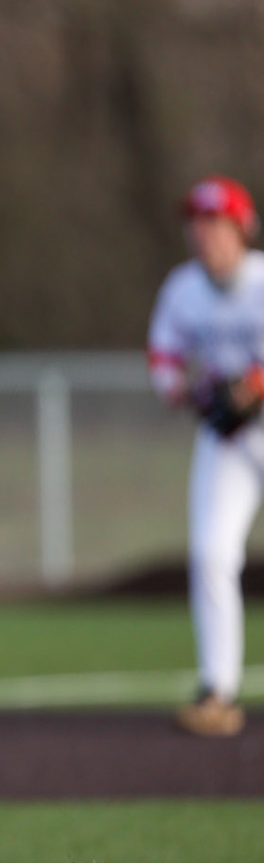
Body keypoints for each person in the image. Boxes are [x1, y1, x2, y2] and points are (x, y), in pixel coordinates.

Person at [148, 175, 264, 738]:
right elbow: (165, 359)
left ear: (243, 227)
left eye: (215, 222)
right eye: (197, 222)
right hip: (229, 440)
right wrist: (185, 390)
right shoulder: (183, 289)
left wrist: (253, 385)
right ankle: (217, 689)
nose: (204, 233)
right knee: (212, 553)